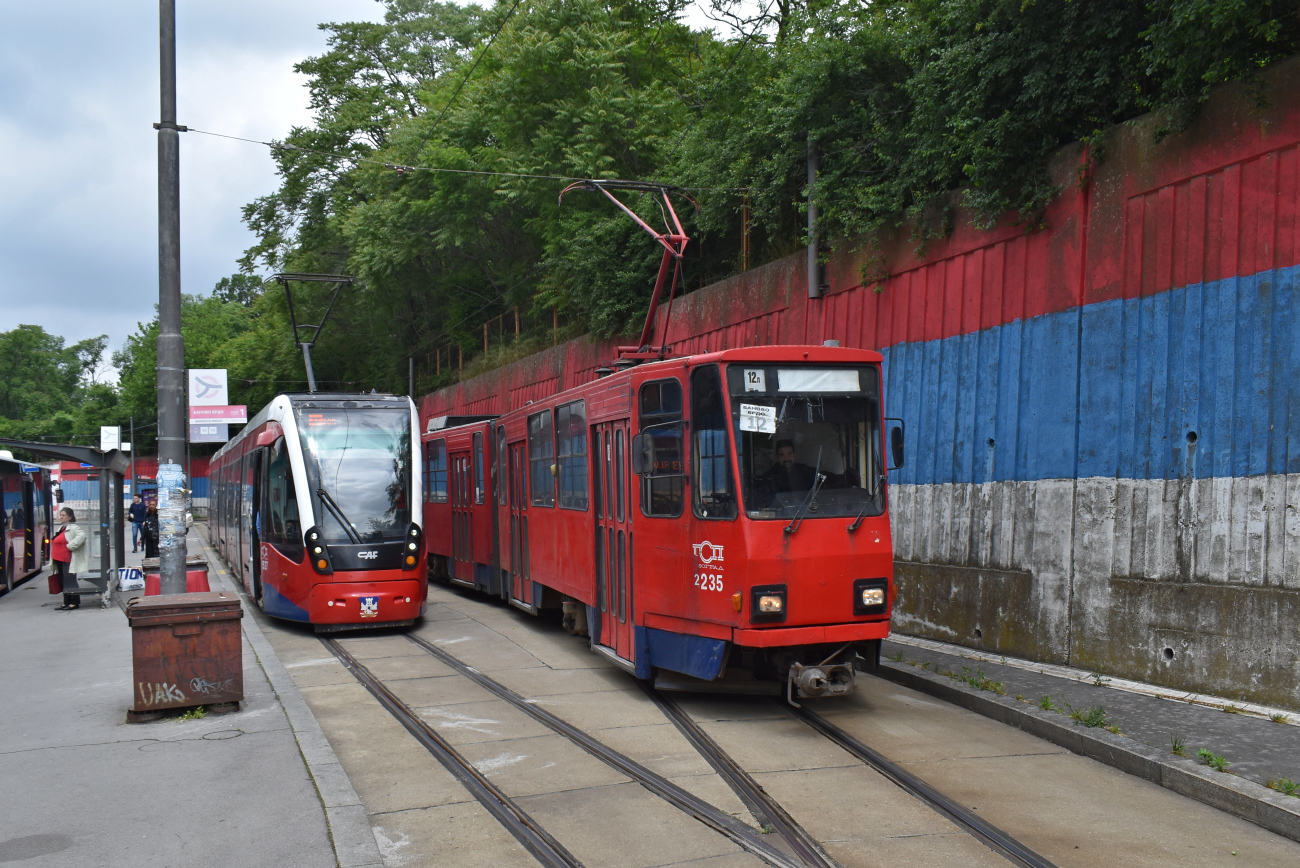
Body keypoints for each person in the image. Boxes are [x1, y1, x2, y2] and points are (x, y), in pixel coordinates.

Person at [50, 507, 88, 610]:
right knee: (63, 580)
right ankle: (66, 601)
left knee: (70, 580)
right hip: (59, 559)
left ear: (70, 517)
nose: (61, 517)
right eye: (60, 515)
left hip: (67, 559)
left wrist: (70, 546)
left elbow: (82, 536)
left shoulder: (74, 527)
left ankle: (74, 602)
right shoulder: (62, 528)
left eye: (63, 515)